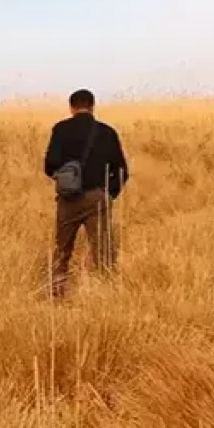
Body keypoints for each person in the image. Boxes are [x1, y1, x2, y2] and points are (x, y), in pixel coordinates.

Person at [43, 89, 129, 298]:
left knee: (62, 250)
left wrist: (65, 179)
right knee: (104, 253)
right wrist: (108, 194)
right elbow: (122, 171)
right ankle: (105, 296)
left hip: (67, 198)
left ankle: (58, 294)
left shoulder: (61, 130)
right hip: (97, 197)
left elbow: (49, 165)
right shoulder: (107, 132)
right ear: (92, 106)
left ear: (71, 107)